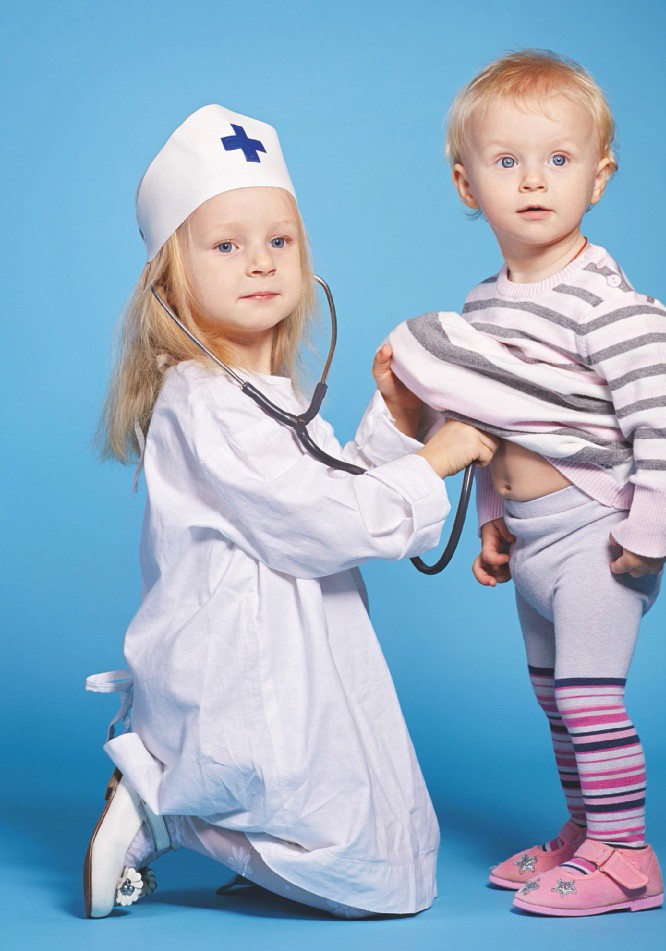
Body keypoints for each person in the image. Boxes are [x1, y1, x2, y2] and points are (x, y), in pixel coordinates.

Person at [83, 104, 496, 921]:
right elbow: (325, 520)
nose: (261, 261)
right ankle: (161, 806)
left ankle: (209, 823)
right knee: (368, 878)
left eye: (280, 240)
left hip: (299, 655)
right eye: (226, 245)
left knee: (386, 857)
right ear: (170, 278)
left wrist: (397, 419)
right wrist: (437, 459)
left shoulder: (266, 395)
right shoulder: (204, 403)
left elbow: (331, 486)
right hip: (248, 663)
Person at [385, 51, 666, 916]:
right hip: (532, 536)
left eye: (559, 159)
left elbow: (663, 421)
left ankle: (627, 856)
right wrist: (493, 520)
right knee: (556, 700)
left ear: (599, 177)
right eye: (506, 160)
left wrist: (650, 532)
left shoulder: (609, 303)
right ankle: (587, 830)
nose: (533, 181)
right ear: (466, 184)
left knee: (592, 700)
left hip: (598, 532)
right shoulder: (483, 307)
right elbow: (496, 425)